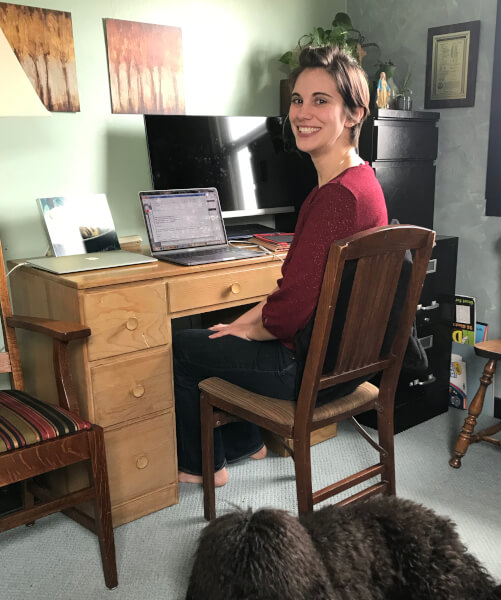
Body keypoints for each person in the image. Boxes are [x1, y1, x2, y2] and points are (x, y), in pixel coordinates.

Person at [173, 45, 388, 487]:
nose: (302, 112)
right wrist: (241, 324)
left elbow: (289, 314)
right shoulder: (362, 181)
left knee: (180, 346)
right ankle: (245, 443)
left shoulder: (335, 199)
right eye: (297, 100)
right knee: (222, 329)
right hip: (345, 368)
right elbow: (296, 292)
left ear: (353, 114)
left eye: (320, 100)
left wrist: (246, 328)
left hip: (307, 372)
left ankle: (201, 467)